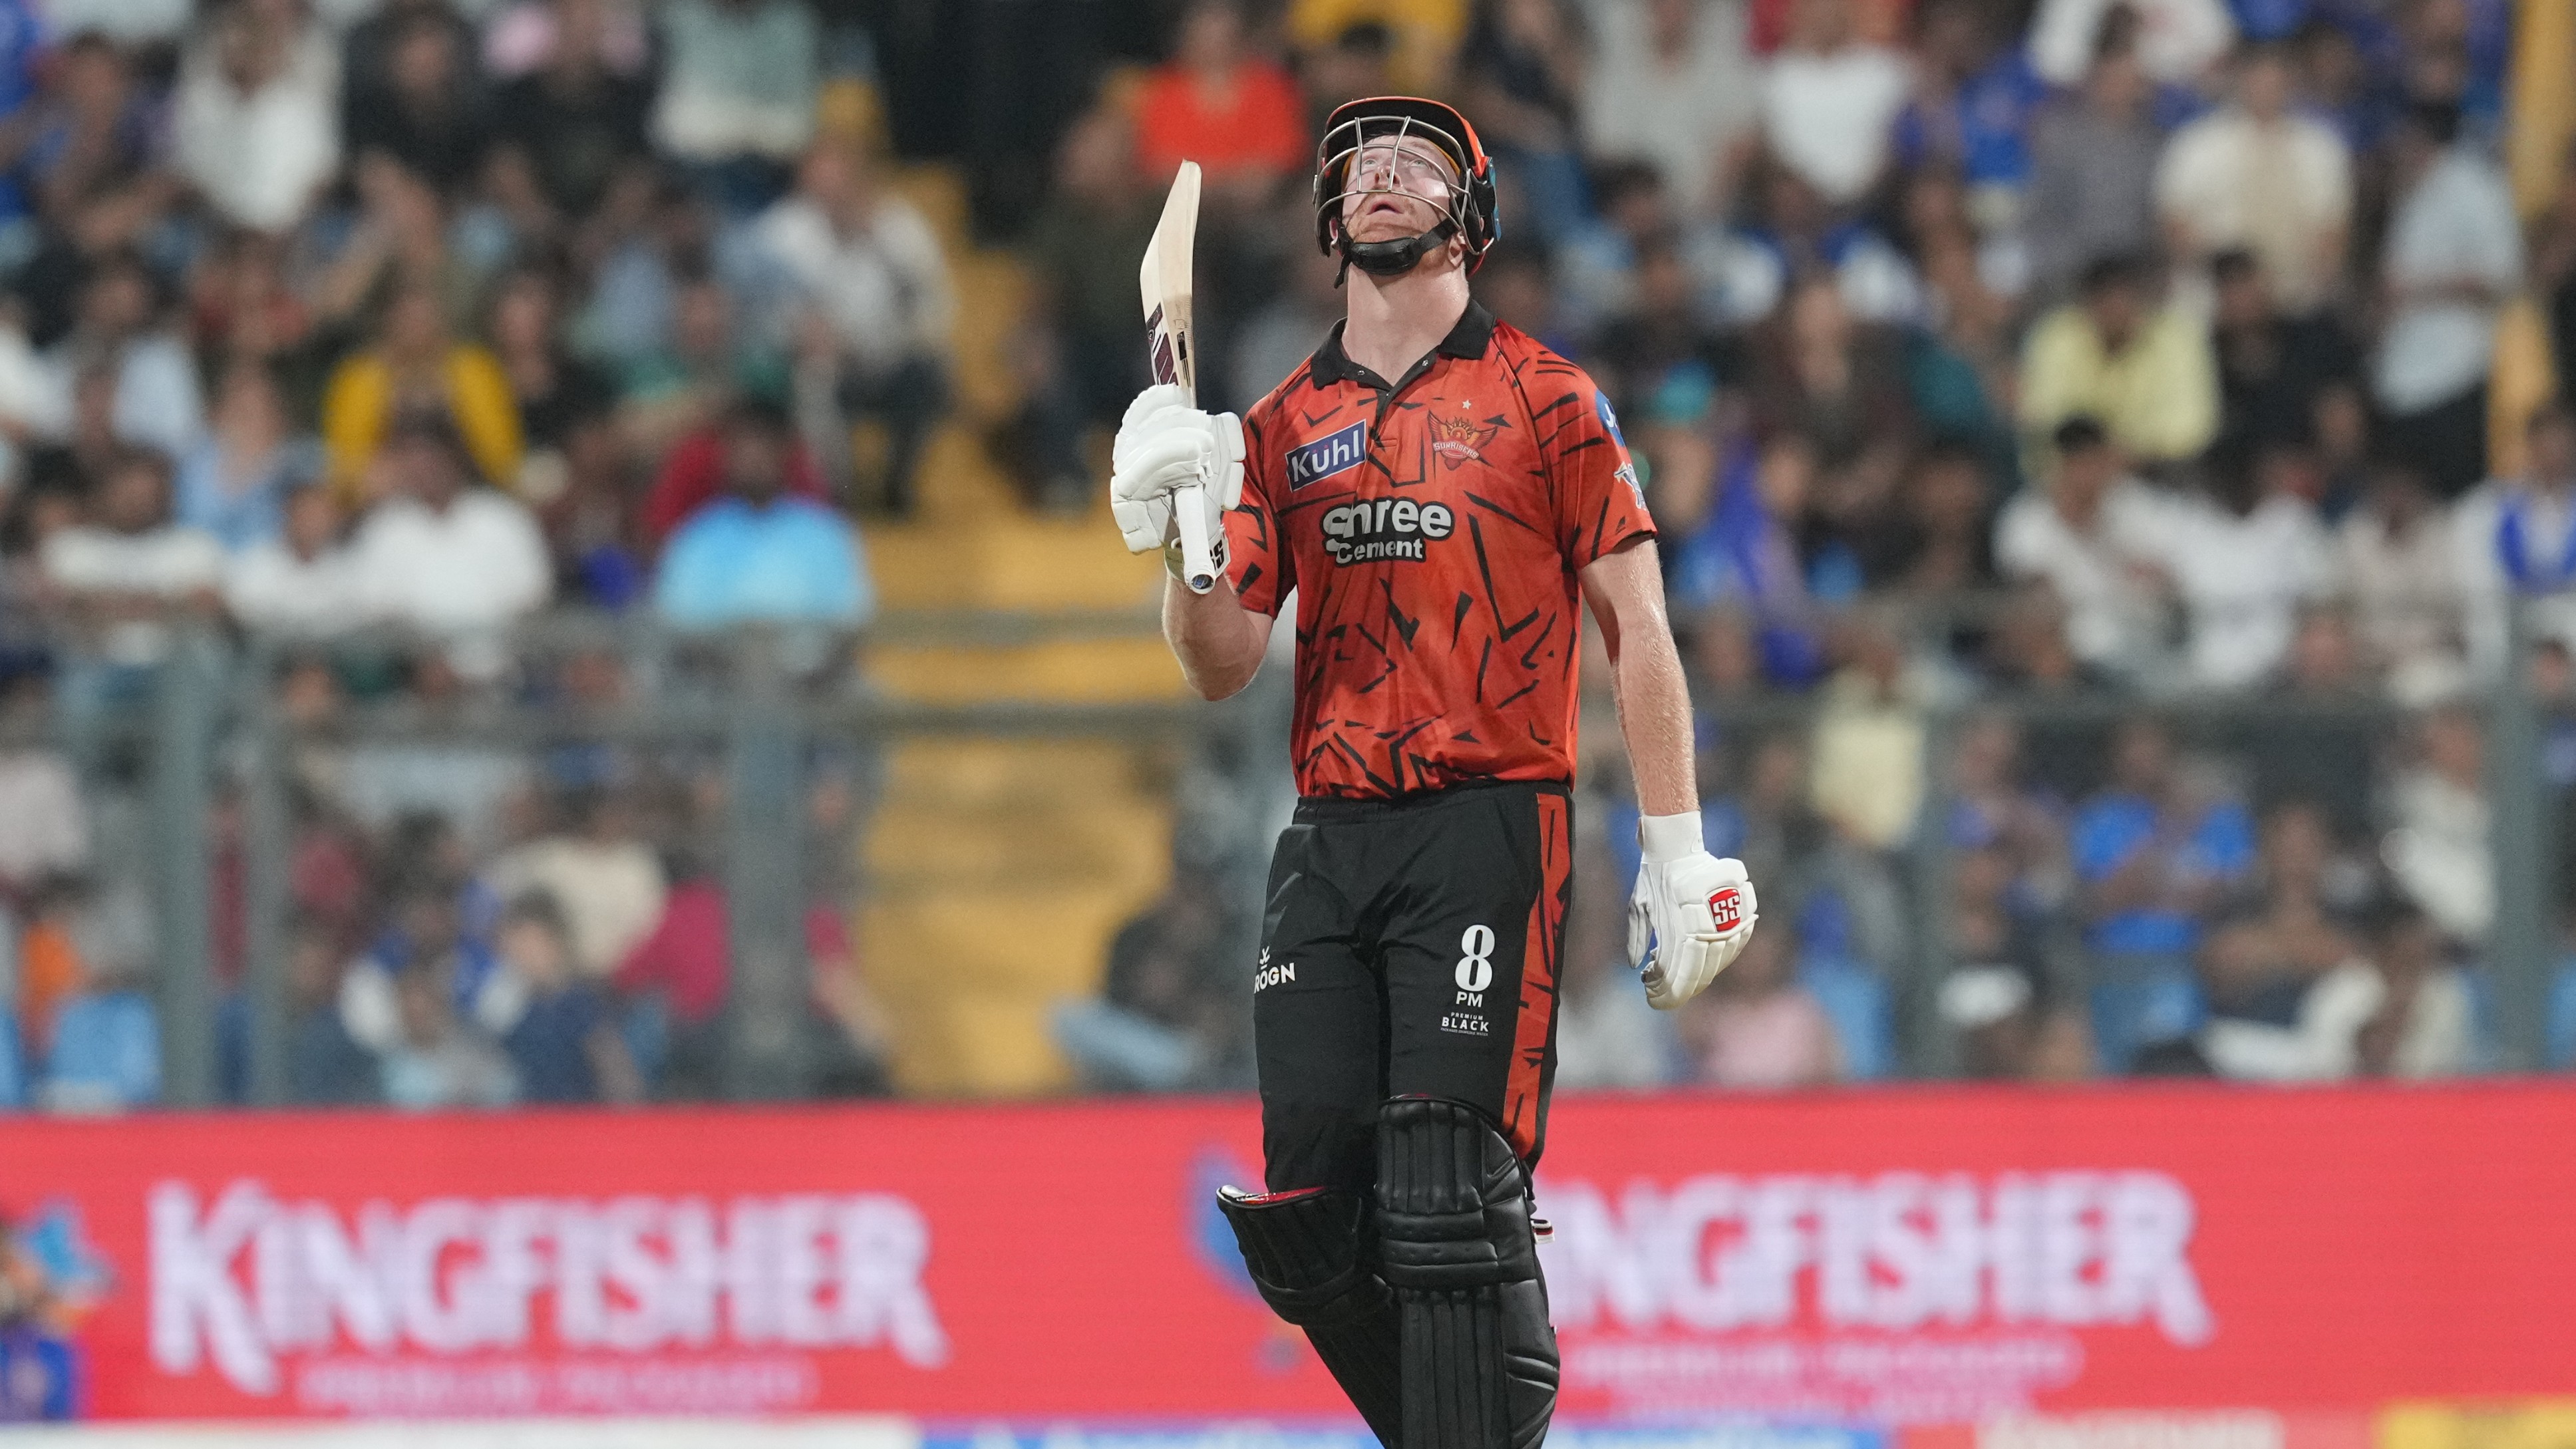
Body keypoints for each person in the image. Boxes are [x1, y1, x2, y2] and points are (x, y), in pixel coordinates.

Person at [1108, 96, 1759, 1448]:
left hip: (1488, 818)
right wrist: (1179, 537)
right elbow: (1220, 660)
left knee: (1445, 1187)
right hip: (1329, 830)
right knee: (1305, 1217)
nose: (1383, 175)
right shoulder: (1277, 425)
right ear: (1327, 217)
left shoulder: (1548, 397)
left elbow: (1638, 629)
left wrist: (1677, 846)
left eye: (1418, 161)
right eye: (1359, 162)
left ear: (1473, 216)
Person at [653, 397, 873, 631]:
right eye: (743, 447)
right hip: (717, 653)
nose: (754, 458)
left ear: (784, 452)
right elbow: (676, 618)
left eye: (763, 446)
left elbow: (851, 617)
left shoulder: (825, 534)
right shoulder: (697, 537)